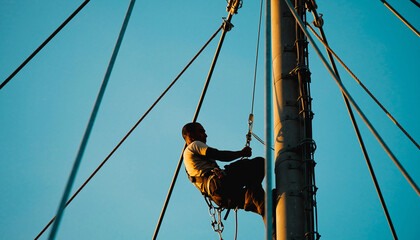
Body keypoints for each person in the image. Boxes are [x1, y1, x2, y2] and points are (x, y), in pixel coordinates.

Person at [182, 122, 265, 219]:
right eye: (201, 132)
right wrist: (241, 153)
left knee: (260, 202)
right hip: (220, 184)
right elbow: (218, 155)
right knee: (259, 164)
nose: (205, 135)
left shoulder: (190, 164)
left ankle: (263, 206)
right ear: (191, 135)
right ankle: (253, 193)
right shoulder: (194, 145)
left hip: (220, 198)